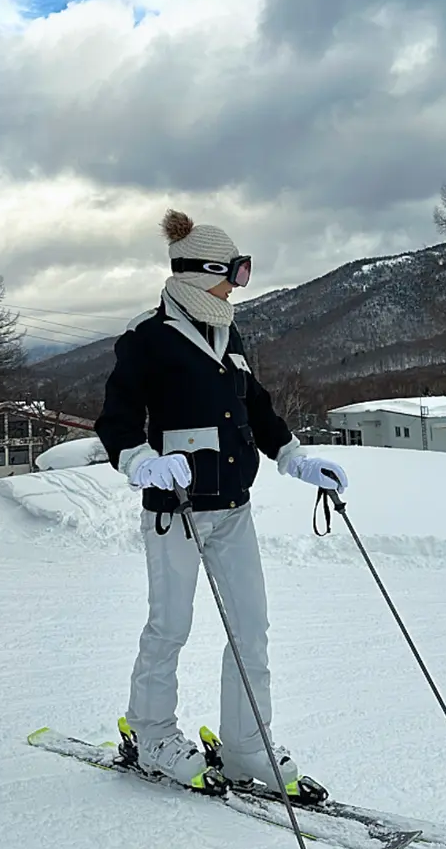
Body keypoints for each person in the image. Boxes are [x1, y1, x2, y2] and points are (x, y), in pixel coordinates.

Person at [95, 209, 348, 792]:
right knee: (171, 626)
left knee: (250, 628)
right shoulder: (147, 339)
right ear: (200, 272)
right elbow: (117, 418)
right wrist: (141, 462)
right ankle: (152, 735)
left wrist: (294, 456)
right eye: (234, 272)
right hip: (176, 511)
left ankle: (246, 747)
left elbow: (255, 407)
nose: (238, 284)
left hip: (233, 507)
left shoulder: (227, 334)